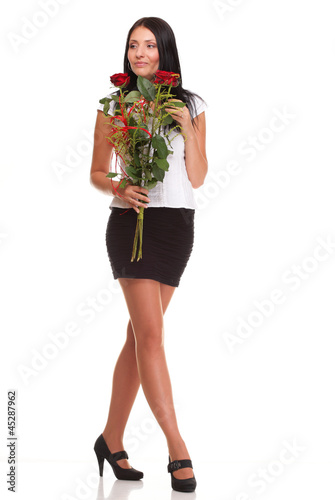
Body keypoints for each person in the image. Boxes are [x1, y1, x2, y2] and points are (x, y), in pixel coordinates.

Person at [90, 16, 208, 493]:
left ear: (165, 52)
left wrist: (188, 128)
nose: (140, 53)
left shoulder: (193, 104)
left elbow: (197, 176)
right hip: (130, 224)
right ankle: (177, 448)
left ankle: (110, 440)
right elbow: (98, 172)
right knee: (152, 336)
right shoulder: (115, 105)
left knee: (138, 338)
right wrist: (122, 185)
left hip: (176, 227)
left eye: (149, 46)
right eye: (133, 46)